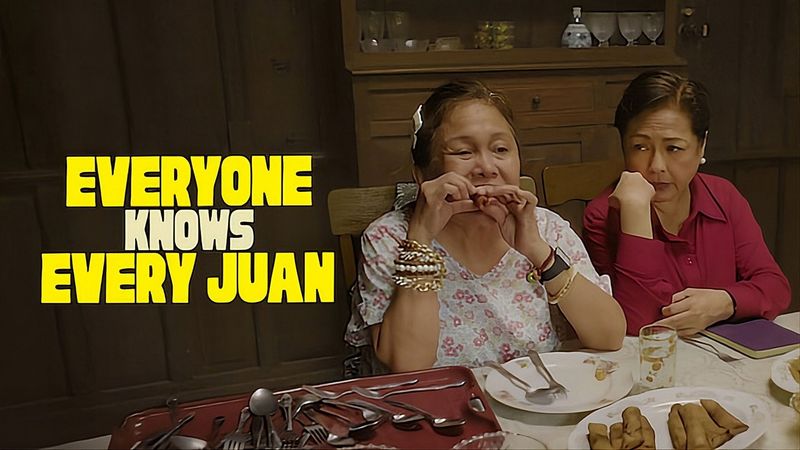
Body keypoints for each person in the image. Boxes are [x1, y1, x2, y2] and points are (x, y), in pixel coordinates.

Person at [345, 80, 625, 373]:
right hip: (440, 400)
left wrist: (538, 251)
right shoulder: (389, 238)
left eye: (500, 149)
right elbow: (409, 367)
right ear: (422, 176)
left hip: (535, 397)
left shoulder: (545, 228)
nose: (487, 168)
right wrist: (421, 237)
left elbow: (609, 336)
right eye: (464, 152)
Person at [583, 70, 791, 336]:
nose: (656, 166)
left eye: (674, 148)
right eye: (640, 147)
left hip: (724, 352)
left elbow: (775, 287)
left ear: (701, 146)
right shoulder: (602, 215)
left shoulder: (724, 196)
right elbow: (637, 325)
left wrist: (725, 303)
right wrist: (635, 214)